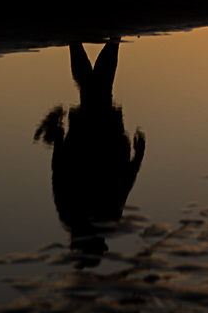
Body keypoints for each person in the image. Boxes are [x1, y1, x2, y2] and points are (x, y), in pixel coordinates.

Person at [32, 37, 145, 260]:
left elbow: (60, 177)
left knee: (96, 89)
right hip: (97, 146)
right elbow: (121, 186)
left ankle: (102, 41)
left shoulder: (92, 220)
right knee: (94, 89)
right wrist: (58, 141)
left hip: (96, 145)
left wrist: (137, 157)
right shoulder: (78, 218)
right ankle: (87, 40)